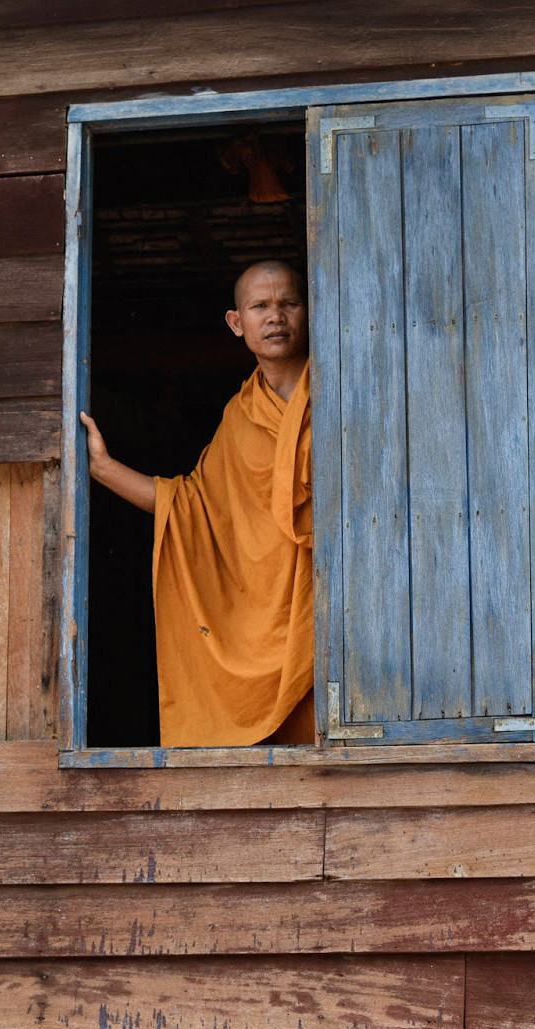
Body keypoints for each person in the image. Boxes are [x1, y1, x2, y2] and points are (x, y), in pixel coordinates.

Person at [79, 260, 314, 747]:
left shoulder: (343, 390)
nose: (276, 317)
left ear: (309, 311)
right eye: (260, 306)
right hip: (269, 611)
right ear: (236, 323)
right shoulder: (241, 418)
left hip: (331, 605)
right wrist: (103, 469)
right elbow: (190, 506)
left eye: (288, 303)